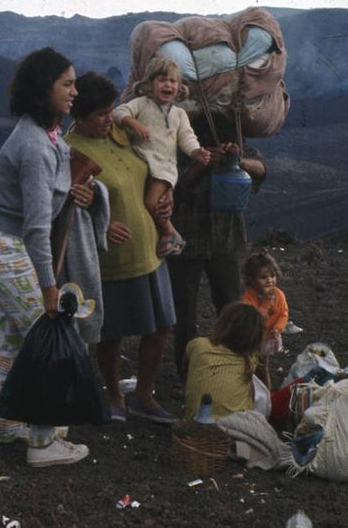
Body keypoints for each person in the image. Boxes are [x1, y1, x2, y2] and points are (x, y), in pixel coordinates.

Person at [0, 47, 107, 467]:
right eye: (66, 84)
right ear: (43, 89)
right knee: (47, 341)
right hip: (11, 248)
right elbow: (35, 228)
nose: (75, 91)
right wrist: (49, 288)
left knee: (11, 337)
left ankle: (3, 426)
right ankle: (43, 443)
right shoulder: (34, 145)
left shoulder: (44, 133)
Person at [65, 71, 178, 425]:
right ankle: (115, 395)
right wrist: (101, 222)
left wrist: (166, 197)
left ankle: (144, 395)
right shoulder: (72, 151)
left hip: (149, 246)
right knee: (110, 332)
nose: (108, 118)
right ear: (80, 116)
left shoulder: (119, 134)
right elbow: (67, 201)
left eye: (111, 110)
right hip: (111, 255)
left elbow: (151, 165)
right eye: (100, 114)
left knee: (160, 327)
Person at [167, 113, 267, 396]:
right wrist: (201, 163)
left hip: (226, 241)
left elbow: (261, 169)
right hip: (187, 240)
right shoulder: (182, 147)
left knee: (231, 306)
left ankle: (233, 368)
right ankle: (185, 375)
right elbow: (176, 186)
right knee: (184, 312)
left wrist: (237, 159)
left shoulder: (237, 143)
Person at [113, 56, 211, 257]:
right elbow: (119, 112)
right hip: (140, 162)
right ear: (149, 85)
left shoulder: (179, 114)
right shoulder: (141, 104)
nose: (168, 85)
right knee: (138, 203)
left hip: (162, 168)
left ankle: (170, 232)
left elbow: (186, 137)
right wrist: (134, 123)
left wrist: (196, 151)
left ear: (179, 86)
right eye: (162, 80)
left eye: (172, 81)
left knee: (151, 203)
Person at [181, 301, 266, 420]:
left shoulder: (199, 345)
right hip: (233, 429)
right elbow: (265, 394)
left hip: (193, 423)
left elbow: (184, 369)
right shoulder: (250, 360)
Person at [239, 251, 288, 390]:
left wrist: (277, 329)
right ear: (252, 280)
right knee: (248, 366)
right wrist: (266, 302)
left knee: (263, 366)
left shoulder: (279, 295)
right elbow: (255, 319)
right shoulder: (249, 298)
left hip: (267, 338)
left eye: (272, 276)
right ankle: (246, 392)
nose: (270, 280)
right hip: (252, 339)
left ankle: (267, 396)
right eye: (263, 277)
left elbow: (283, 314)